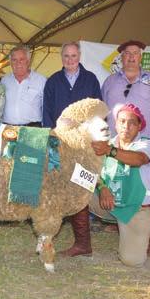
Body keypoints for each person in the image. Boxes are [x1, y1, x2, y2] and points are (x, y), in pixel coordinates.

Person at [42, 41, 102, 257]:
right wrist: (52, 137)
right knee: (58, 185)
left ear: (79, 56)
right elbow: (46, 112)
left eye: (74, 56)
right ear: (61, 58)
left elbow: (97, 109)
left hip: (83, 144)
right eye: (66, 56)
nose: (70, 60)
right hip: (60, 142)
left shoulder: (91, 79)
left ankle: (83, 243)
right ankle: (48, 235)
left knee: (81, 185)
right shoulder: (53, 81)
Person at [91, 104, 150, 267]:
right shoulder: (109, 143)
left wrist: (109, 151)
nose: (126, 127)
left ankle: (144, 235)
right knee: (77, 183)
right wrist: (102, 188)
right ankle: (82, 244)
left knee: (132, 261)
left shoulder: (147, 144)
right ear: (115, 124)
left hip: (136, 208)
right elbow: (94, 170)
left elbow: (139, 160)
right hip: (110, 202)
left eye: (132, 123)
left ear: (139, 126)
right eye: (122, 121)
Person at [101, 40, 150, 149]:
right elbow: (101, 110)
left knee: (141, 165)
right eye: (127, 53)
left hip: (144, 141)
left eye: (135, 53)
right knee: (114, 166)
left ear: (140, 57)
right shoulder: (109, 81)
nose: (131, 57)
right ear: (121, 57)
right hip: (114, 141)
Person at [1, 45, 46, 126]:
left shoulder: (41, 80)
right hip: (7, 129)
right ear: (10, 62)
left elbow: (47, 108)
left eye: (22, 59)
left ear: (28, 61)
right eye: (14, 60)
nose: (18, 63)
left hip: (33, 129)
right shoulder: (4, 81)